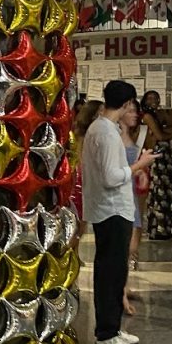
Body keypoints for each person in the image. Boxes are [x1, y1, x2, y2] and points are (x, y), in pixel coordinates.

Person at [81, 80, 157, 344]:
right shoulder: (106, 133)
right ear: (126, 104)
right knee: (110, 273)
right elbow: (112, 177)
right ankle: (107, 333)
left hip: (111, 209)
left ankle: (112, 328)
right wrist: (140, 164)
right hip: (112, 210)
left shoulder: (102, 129)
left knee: (114, 271)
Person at [120, 101, 156, 312]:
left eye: (136, 111)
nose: (135, 115)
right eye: (130, 111)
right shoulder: (112, 136)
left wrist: (141, 170)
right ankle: (120, 291)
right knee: (125, 248)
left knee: (131, 248)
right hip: (120, 198)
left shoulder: (137, 135)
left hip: (132, 196)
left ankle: (123, 285)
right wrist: (139, 167)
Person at [140, 90, 172, 240]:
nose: (154, 100)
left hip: (166, 155)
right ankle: (159, 227)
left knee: (168, 190)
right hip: (157, 155)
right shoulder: (147, 116)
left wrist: (165, 119)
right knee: (159, 191)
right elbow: (160, 136)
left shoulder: (159, 114)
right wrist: (168, 133)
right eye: (150, 98)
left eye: (156, 98)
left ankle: (169, 226)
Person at [69, 100, 104, 253]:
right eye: (100, 112)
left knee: (81, 222)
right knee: (79, 222)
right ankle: (70, 252)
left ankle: (74, 252)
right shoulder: (86, 134)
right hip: (81, 181)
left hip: (83, 179)